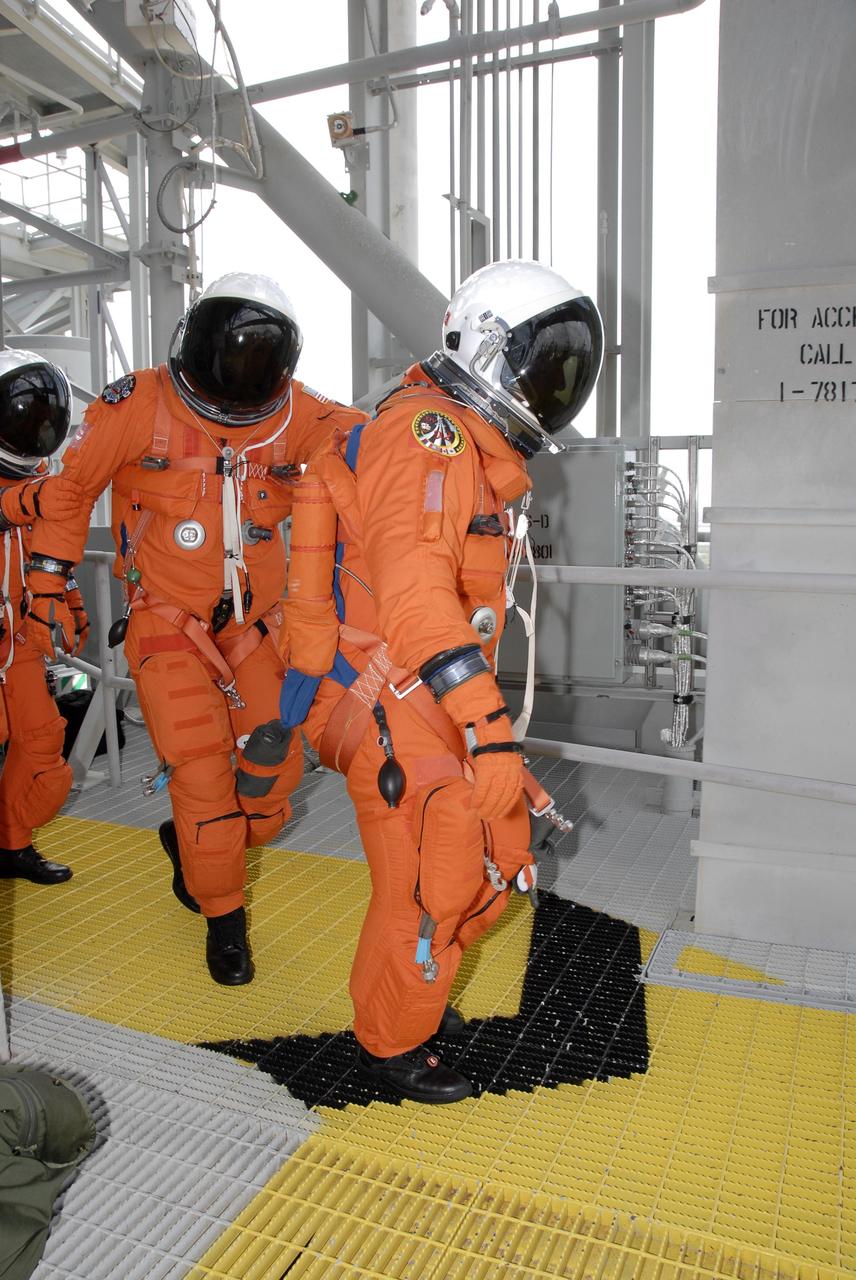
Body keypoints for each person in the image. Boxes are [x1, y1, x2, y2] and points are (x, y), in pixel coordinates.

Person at [280, 260, 603, 1102]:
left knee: (497, 856)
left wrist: (477, 719)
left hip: (432, 693)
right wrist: (488, 727)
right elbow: (419, 594)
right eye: (544, 369)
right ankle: (391, 1041)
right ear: (487, 349)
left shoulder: (465, 441)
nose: (551, 391)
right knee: (433, 873)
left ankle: (417, 989)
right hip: (388, 695)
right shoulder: (429, 435)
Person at [26, 273, 366, 984]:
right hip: (166, 623)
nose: (237, 380)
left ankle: (190, 842)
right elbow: (70, 489)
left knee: (273, 783)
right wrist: (48, 584)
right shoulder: (138, 402)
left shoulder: (298, 415)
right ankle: (223, 916)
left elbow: (378, 452)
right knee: (205, 776)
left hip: (254, 627)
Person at [0, 350, 84, 885]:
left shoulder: (38, 485)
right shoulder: (35, 493)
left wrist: (71, 604)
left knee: (41, 744)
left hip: (20, 641)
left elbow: (54, 556)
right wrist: (44, 497)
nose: (35, 429)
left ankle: (12, 845)